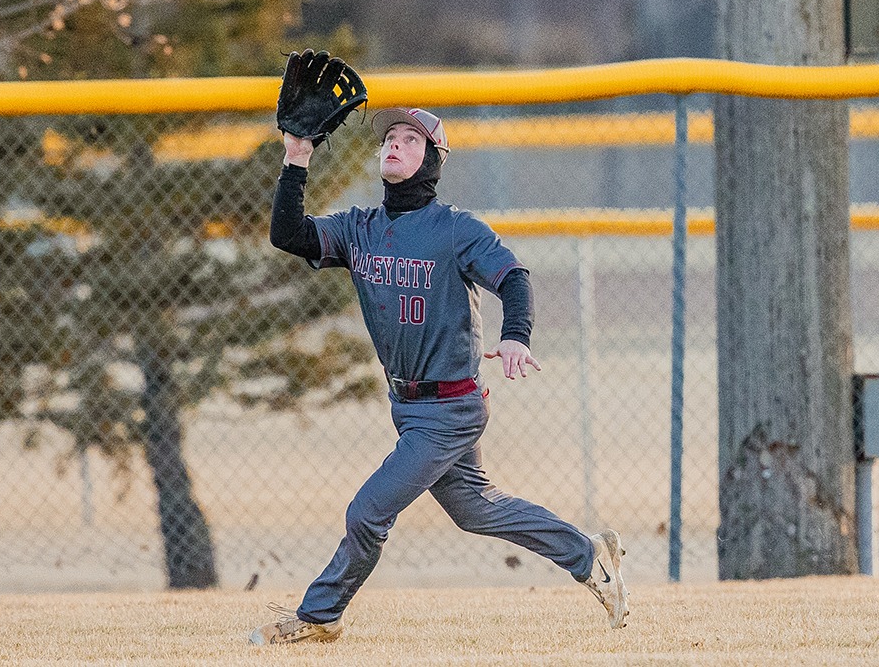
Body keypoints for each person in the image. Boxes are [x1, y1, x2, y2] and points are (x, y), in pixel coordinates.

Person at [251, 107, 628, 645]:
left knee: (367, 512)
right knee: (476, 509)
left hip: (450, 408)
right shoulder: (360, 229)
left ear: (432, 160)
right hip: (407, 406)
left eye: (410, 139)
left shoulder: (455, 230)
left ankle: (320, 616)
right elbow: (289, 234)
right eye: (389, 138)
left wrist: (516, 335)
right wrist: (297, 157)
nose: (394, 145)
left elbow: (514, 278)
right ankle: (587, 553)